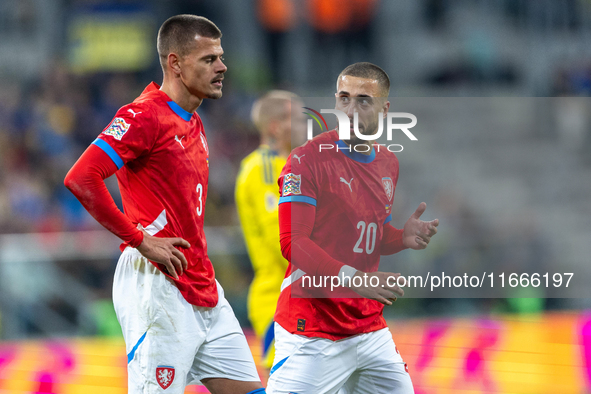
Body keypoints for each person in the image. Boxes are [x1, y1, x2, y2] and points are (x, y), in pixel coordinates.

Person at [64, 15, 265, 394]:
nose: (222, 67)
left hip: (203, 285)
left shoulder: (193, 120)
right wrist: (139, 238)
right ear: (175, 63)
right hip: (156, 283)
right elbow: (80, 177)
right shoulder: (143, 115)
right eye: (208, 59)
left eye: (220, 57)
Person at [267, 62, 439, 393]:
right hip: (313, 327)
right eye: (344, 98)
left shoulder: (389, 162)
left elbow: (369, 236)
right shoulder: (307, 160)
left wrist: (401, 237)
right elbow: (293, 243)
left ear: (384, 109)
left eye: (363, 100)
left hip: (367, 326)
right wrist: (355, 279)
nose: (350, 108)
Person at [235, 91, 306, 370]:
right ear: (276, 126)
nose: (306, 127)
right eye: (299, 120)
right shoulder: (261, 168)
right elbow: (282, 239)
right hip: (280, 299)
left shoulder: (296, 166)